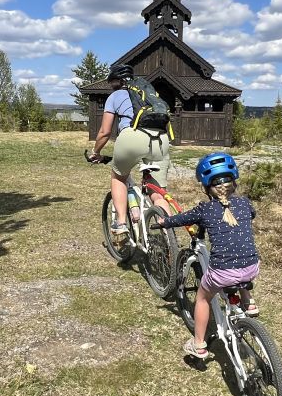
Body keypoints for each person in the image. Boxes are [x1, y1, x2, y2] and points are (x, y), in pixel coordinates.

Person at [149, 152, 260, 359]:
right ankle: (249, 303)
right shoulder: (244, 203)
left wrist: (164, 222)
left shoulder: (205, 209)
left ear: (206, 187)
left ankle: (199, 344)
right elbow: (251, 215)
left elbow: (181, 218)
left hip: (223, 272)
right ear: (233, 183)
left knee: (202, 298)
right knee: (241, 265)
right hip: (252, 267)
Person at [86, 63, 171, 242]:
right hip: (161, 139)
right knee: (158, 192)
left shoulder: (116, 96)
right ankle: (169, 238)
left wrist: (96, 152)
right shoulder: (149, 93)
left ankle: (121, 223)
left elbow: (105, 132)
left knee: (119, 178)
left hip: (132, 137)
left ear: (116, 81)